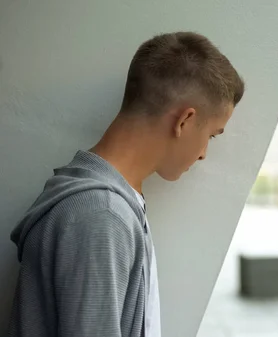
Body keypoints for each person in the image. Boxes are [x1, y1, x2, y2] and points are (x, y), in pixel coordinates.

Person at [8, 32, 245, 337]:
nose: (203, 154)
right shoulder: (100, 216)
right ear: (184, 120)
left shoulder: (111, 206)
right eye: (211, 135)